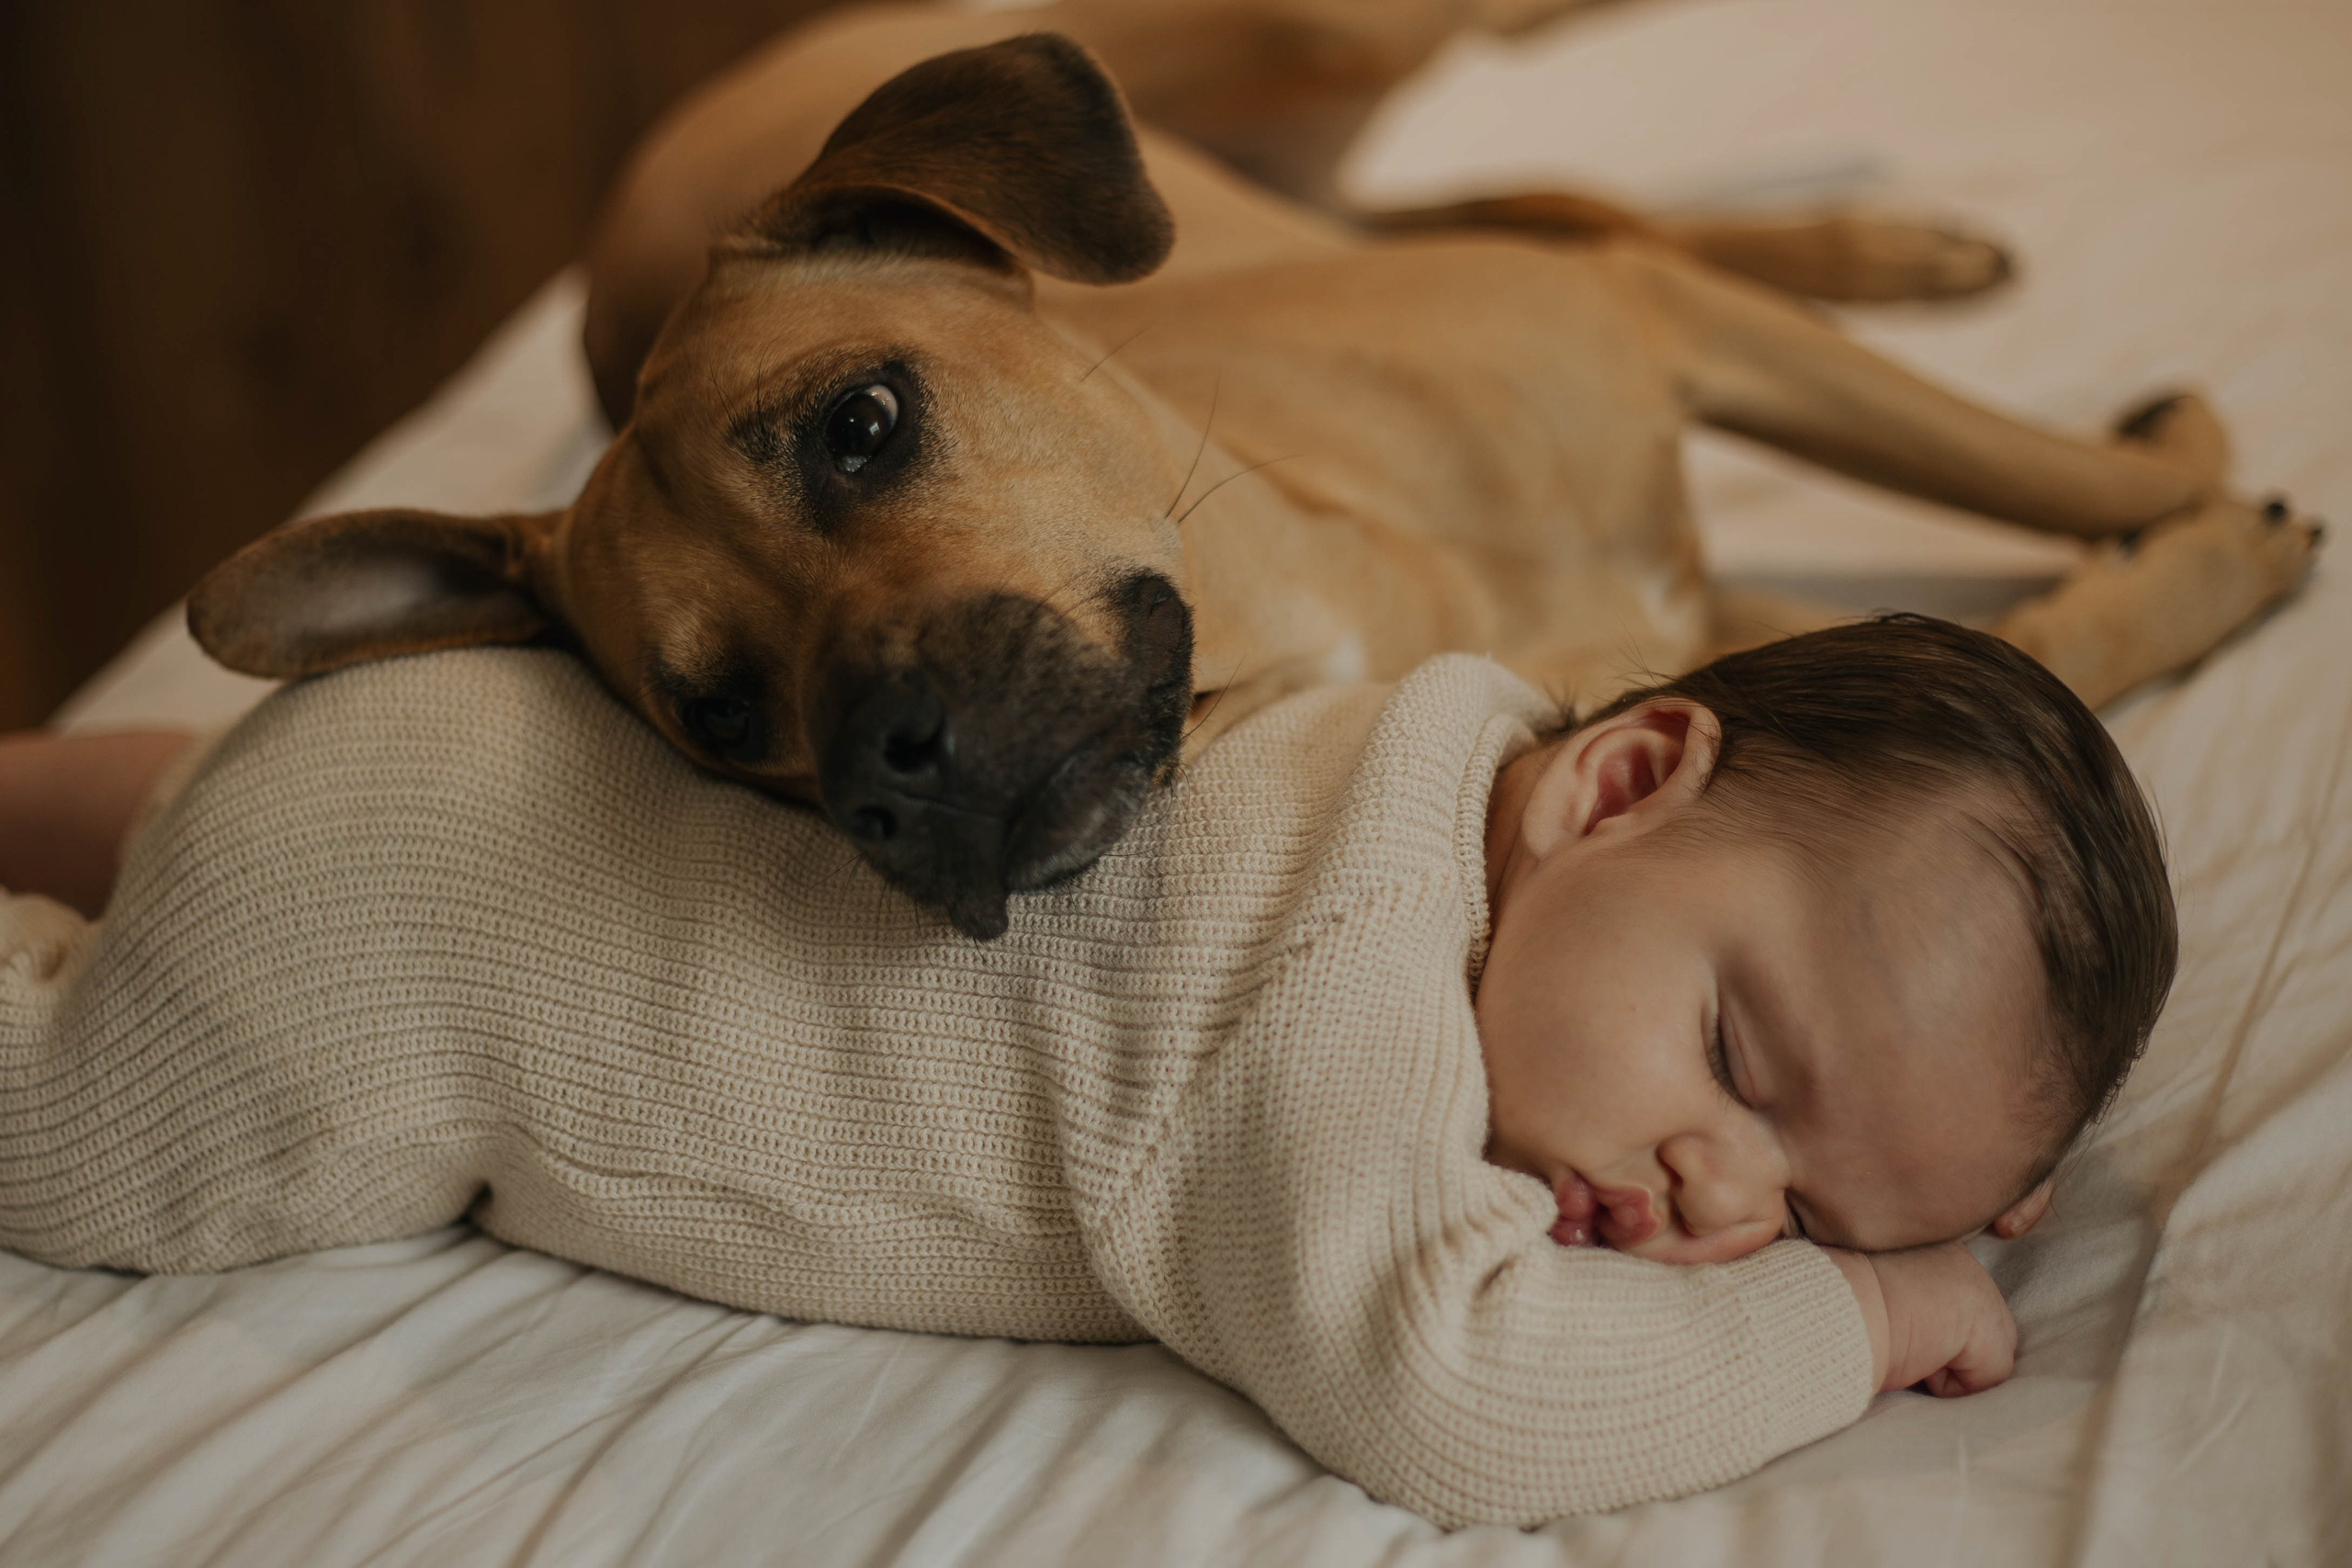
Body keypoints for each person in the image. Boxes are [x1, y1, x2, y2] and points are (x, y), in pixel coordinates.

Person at [0, 614, 2173, 1528]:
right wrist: (1862, 1307)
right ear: (1614, 780)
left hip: (449, 765)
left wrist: (1920, 1164)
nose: (1714, 1202)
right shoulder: (1348, 988)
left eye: (1799, 1206)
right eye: (1730, 1058)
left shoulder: (1409, 771)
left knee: (228, 797)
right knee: (66, 1134)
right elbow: (1445, 1385)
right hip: (379, 966)